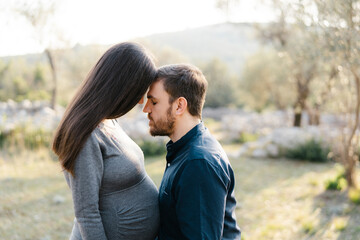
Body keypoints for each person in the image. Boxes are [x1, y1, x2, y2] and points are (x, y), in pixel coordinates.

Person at [52, 42, 160, 240]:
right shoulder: (86, 134)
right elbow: (86, 214)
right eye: (138, 93)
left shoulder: (109, 121)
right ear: (122, 87)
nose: (140, 102)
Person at [143, 64, 241, 239]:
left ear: (179, 106)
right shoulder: (183, 151)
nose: (146, 109)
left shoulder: (198, 163)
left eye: (154, 101)